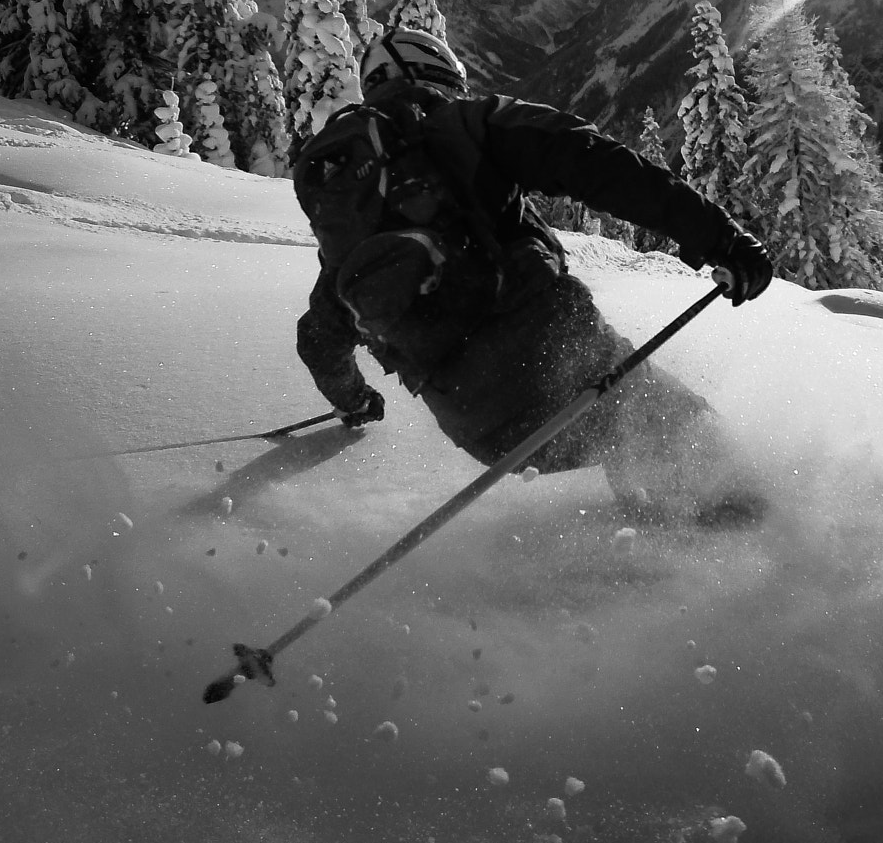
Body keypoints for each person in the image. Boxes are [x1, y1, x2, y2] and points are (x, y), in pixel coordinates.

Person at [292, 27, 774, 521]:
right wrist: (720, 238)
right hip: (556, 359)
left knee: (618, 422)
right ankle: (756, 537)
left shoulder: (351, 217)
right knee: (651, 413)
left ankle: (653, 535)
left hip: (486, 435)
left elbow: (318, 338)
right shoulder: (468, 124)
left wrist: (356, 402)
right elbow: (597, 162)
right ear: (433, 70)